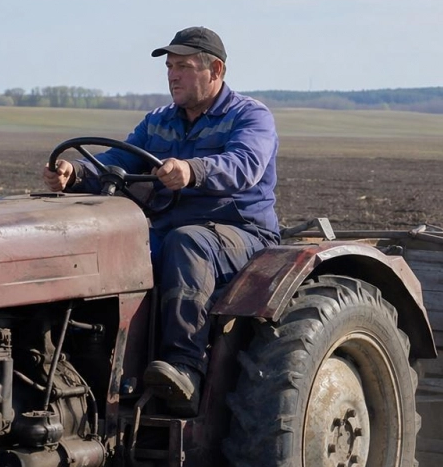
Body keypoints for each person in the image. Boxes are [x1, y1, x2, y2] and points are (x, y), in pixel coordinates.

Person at [42, 26, 279, 416]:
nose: (172, 75)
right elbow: (120, 163)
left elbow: (244, 165)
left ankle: (184, 368)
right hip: (169, 228)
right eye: (169, 66)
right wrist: (76, 173)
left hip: (243, 234)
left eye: (183, 66)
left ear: (215, 70)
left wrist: (193, 169)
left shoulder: (249, 116)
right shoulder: (158, 122)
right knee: (114, 246)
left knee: (188, 243)